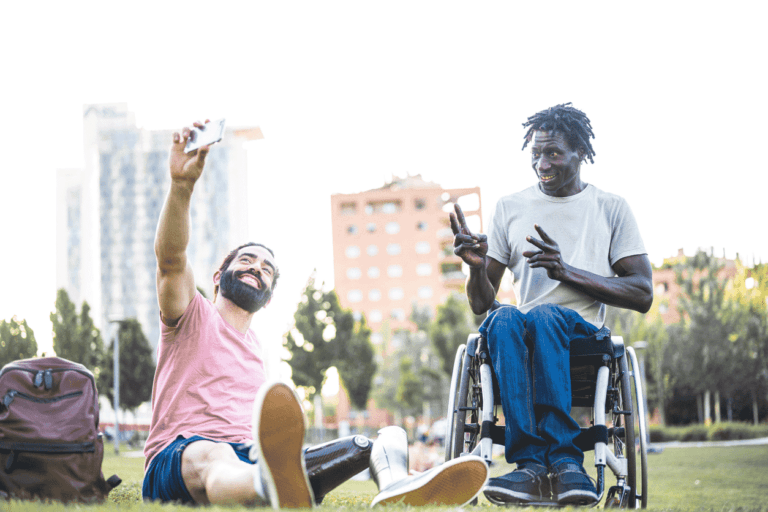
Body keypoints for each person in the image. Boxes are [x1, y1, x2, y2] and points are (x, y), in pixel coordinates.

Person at [142, 121, 489, 508]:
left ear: (268, 299)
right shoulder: (191, 317)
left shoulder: (256, 350)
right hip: (183, 456)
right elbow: (171, 260)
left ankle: (398, 486)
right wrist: (182, 186)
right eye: (246, 260)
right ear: (217, 277)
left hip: (250, 458)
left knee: (379, 439)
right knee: (216, 456)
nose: (257, 267)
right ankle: (267, 487)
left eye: (266, 269)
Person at [450, 103, 652, 506]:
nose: (542, 163)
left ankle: (565, 461)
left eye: (554, 153)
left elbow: (642, 292)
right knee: (504, 317)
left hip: (583, 338)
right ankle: (530, 467)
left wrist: (568, 272)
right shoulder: (510, 207)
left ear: (581, 153)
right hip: (521, 339)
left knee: (543, 316)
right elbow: (481, 303)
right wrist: (474, 269)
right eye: (536, 155)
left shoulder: (610, 208)